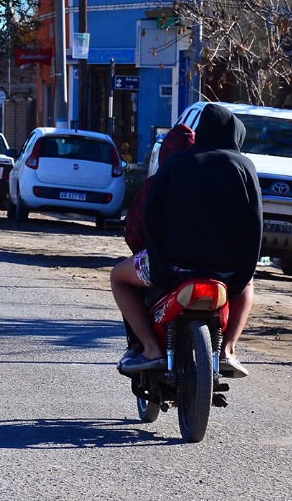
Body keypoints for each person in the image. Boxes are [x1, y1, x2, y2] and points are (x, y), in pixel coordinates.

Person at [111, 105, 263, 378]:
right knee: (250, 285)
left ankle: (149, 348)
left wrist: (160, 268)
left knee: (117, 277)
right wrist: (242, 274)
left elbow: (151, 222)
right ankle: (228, 349)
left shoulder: (173, 165)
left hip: (173, 267)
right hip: (226, 272)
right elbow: (255, 226)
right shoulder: (245, 167)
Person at [121, 123, 194, 255]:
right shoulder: (206, 184)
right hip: (204, 262)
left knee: (117, 274)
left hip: (160, 260)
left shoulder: (153, 185)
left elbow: (134, 230)